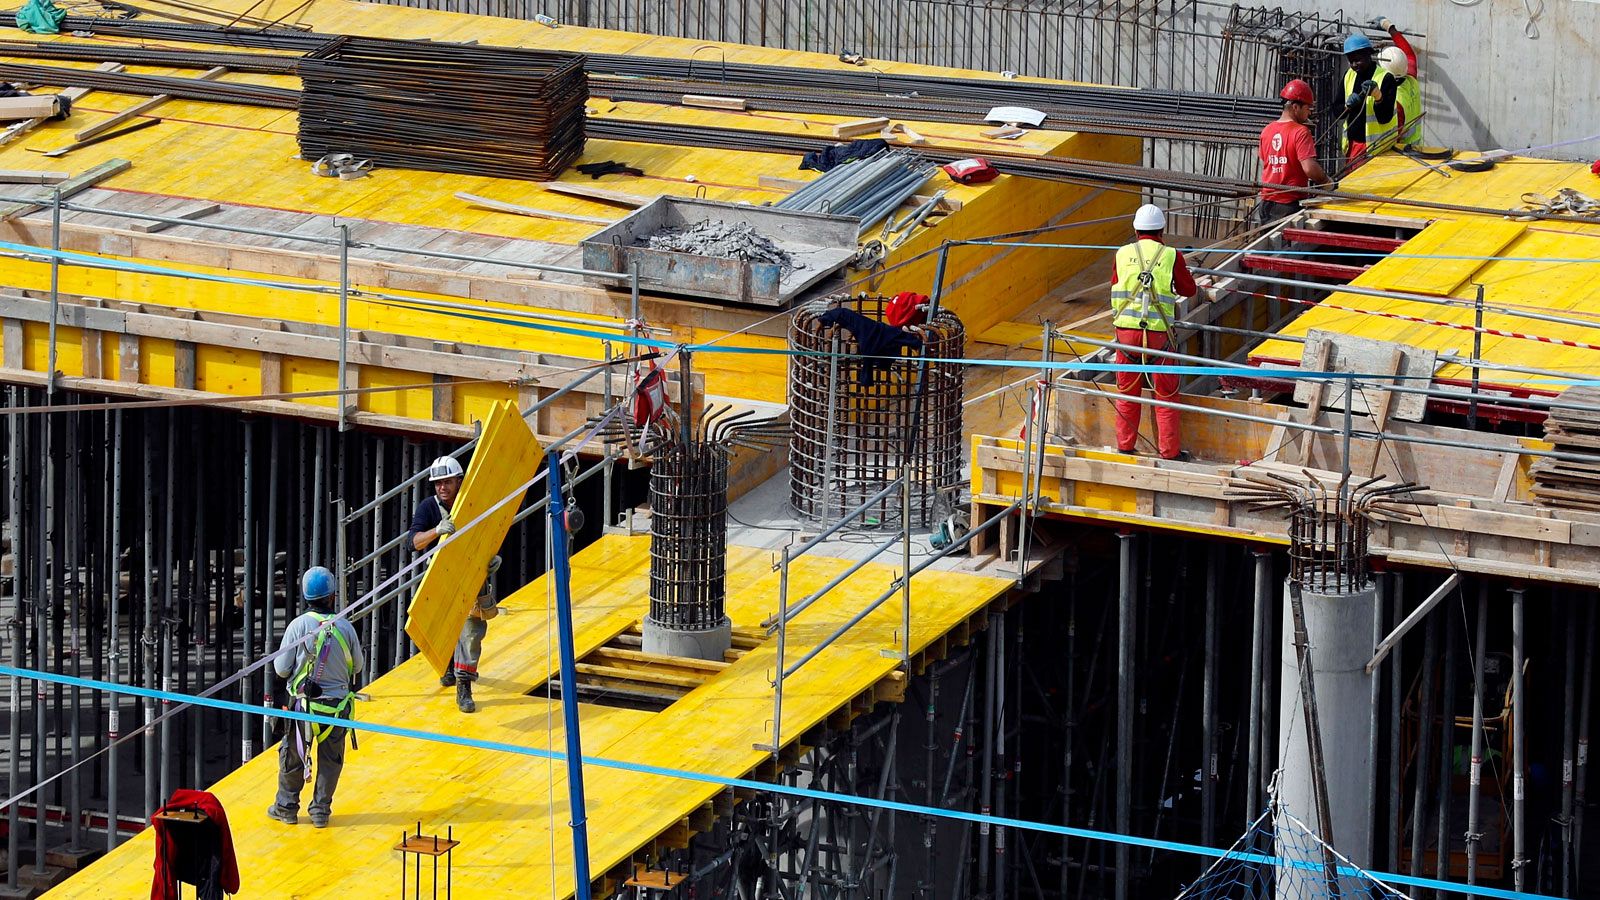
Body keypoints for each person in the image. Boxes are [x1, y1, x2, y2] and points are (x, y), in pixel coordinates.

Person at [266, 566, 363, 829]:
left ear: (306, 597)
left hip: (304, 708)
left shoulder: (298, 626)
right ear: (332, 596)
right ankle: (320, 810)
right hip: (337, 708)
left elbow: (281, 669)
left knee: (293, 755)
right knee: (331, 760)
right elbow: (357, 667)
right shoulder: (345, 626)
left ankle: (286, 807)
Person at [409, 455, 501, 714]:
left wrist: (492, 557)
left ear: (459, 481)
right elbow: (413, 542)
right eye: (438, 483)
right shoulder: (429, 508)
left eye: (447, 482)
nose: (442, 488)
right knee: (442, 627)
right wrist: (436, 531)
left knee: (471, 633)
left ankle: (464, 687)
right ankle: (448, 666)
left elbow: (490, 533)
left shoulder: (472, 505)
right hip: (441, 578)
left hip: (472, 576)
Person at [1109, 204, 1201, 461]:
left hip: (1126, 336)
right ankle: (1169, 452)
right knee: (1167, 396)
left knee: (1127, 394)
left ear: (1136, 230)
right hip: (1159, 337)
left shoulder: (1121, 253)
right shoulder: (1171, 255)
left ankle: (1125, 446)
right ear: (1162, 230)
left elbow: (1116, 284)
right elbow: (1189, 290)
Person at [1258, 79, 1331, 225]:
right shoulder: (1301, 132)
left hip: (1266, 203)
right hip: (1289, 205)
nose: (1309, 113)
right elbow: (1309, 168)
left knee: (1267, 246)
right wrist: (1326, 182)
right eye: (1307, 108)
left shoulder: (1267, 130)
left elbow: (1266, 161)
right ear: (1296, 107)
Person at [1340, 32, 1398, 161]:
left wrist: (1378, 97)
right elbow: (1336, 111)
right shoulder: (1349, 75)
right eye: (1351, 61)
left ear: (1368, 54)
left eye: (1357, 60)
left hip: (1377, 149)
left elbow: (1385, 118)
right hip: (1353, 145)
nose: (1354, 65)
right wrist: (1346, 106)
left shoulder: (1386, 78)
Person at [1373, 16, 1423, 149]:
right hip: (1415, 147)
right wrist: (1389, 27)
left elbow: (1393, 137)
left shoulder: (1396, 101)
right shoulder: (1410, 79)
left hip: (1402, 154)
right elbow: (1410, 54)